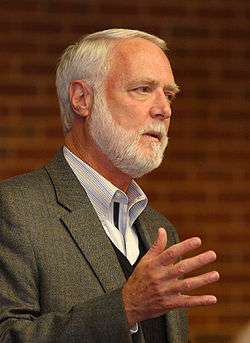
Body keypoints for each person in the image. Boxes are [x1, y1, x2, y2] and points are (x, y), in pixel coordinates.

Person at [0, 28, 219, 343]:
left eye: (169, 95)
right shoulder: (14, 209)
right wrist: (125, 307)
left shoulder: (160, 229)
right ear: (82, 99)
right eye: (143, 89)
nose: (165, 110)